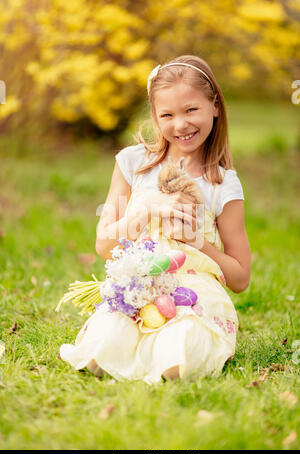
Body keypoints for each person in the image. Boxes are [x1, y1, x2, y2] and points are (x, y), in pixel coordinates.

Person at [59, 55, 251, 384]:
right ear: (155, 117)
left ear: (215, 107)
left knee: (185, 335)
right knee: (112, 332)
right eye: (167, 115)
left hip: (195, 293)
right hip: (140, 285)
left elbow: (240, 278)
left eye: (191, 110)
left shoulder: (222, 184)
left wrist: (199, 243)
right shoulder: (133, 165)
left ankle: (175, 360)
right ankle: (112, 353)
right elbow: (105, 245)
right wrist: (148, 210)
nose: (181, 124)